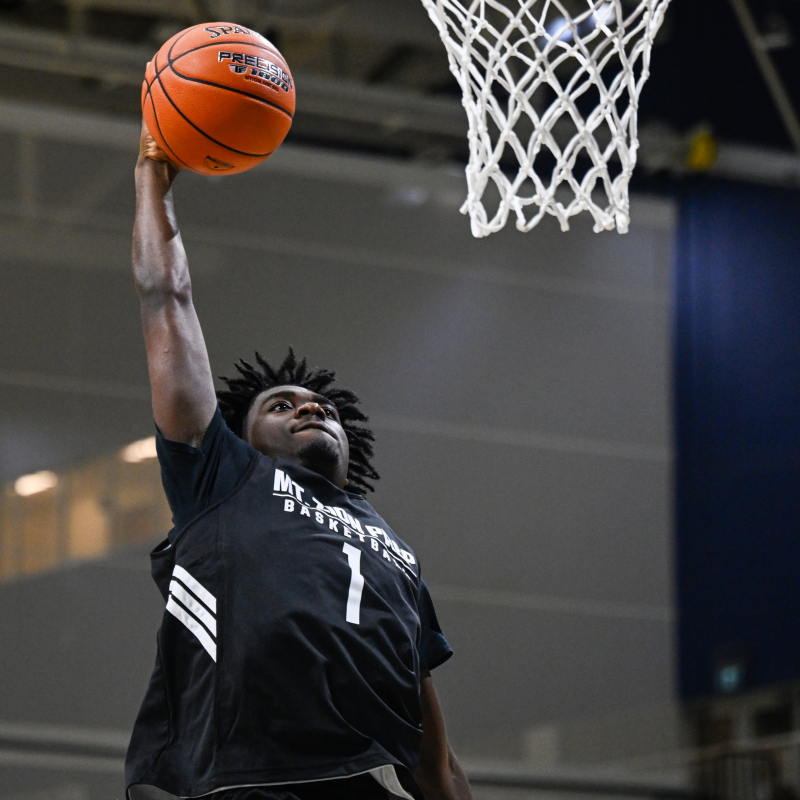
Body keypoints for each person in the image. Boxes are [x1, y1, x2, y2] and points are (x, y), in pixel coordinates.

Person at [124, 121, 473, 800]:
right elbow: (166, 299)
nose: (310, 408)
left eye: (324, 407)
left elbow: (435, 763)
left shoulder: (397, 554)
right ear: (239, 437)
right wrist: (152, 176)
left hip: (350, 784)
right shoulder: (224, 478)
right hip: (226, 781)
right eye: (280, 405)